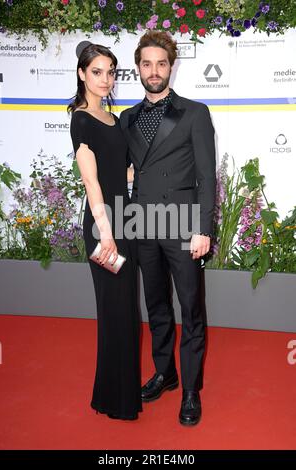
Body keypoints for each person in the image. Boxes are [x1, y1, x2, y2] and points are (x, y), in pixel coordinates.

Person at [120, 31, 216, 426]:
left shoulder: (195, 112)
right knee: (156, 306)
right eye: (147, 64)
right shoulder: (126, 119)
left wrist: (203, 228)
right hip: (143, 225)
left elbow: (207, 178)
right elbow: (123, 171)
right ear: (138, 68)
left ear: (171, 66)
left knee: (191, 309)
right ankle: (166, 373)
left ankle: (191, 389)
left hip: (182, 226)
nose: (154, 71)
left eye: (161, 63)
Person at [69, 43, 142, 421]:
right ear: (82, 74)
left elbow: (121, 173)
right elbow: (92, 182)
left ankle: (120, 394)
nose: (106, 79)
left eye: (111, 71)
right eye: (97, 71)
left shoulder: (112, 119)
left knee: (127, 309)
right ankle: (115, 400)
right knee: (114, 309)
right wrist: (106, 232)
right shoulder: (82, 120)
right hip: (104, 226)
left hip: (124, 220)